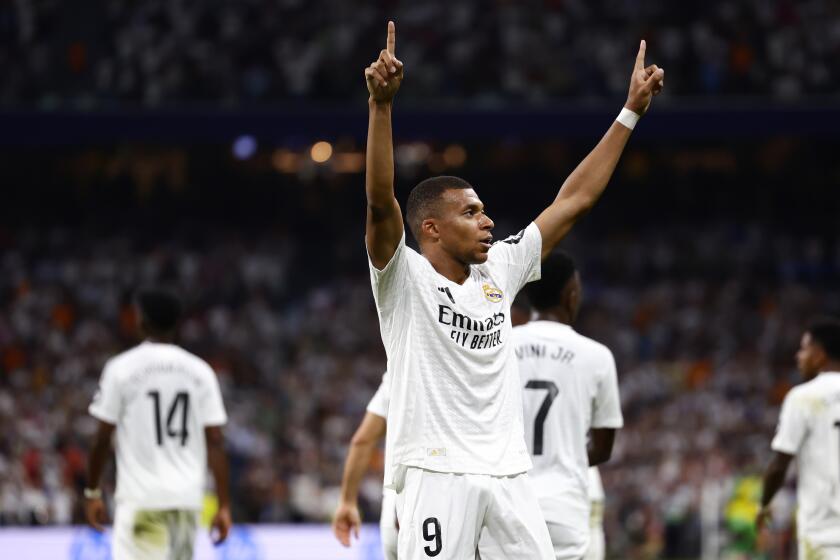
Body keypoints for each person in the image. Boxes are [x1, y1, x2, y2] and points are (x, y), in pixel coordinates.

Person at [364, 19, 662, 559]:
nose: (487, 220)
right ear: (430, 228)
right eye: (471, 212)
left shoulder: (500, 269)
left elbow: (573, 201)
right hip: (436, 470)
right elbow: (381, 202)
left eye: (485, 210)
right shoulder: (403, 278)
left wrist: (630, 113)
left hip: (508, 473)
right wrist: (381, 110)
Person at [84, 288, 231, 559]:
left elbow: (102, 439)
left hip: (141, 499)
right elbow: (216, 441)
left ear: (142, 321)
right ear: (177, 324)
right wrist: (224, 505)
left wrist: (93, 492)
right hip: (185, 500)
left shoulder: (122, 368)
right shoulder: (200, 371)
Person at [513, 252, 623, 559]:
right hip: (564, 508)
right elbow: (603, 449)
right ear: (570, 295)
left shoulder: (501, 346)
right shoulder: (598, 357)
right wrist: (564, 455)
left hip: (509, 503)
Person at [757, 318, 840, 559]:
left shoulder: (803, 398)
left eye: (804, 348)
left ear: (819, 353)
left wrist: (764, 504)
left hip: (823, 531)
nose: (798, 356)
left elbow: (780, 463)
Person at [332, 371, 398, 560]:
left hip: (397, 510)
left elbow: (362, 440)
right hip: (460, 495)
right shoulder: (481, 367)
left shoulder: (400, 372)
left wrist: (347, 501)